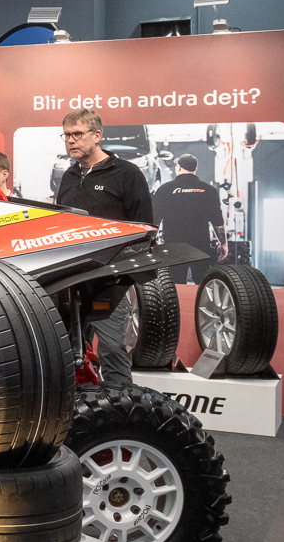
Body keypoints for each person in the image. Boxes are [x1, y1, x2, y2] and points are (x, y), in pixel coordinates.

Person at [54, 109, 153, 385]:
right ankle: (80, 409)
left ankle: (122, 412)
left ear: (97, 136)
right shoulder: (69, 176)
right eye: (66, 135)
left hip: (109, 279)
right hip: (70, 277)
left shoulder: (127, 174)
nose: (71, 141)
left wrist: (126, 273)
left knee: (110, 348)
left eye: (77, 134)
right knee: (71, 348)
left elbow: (143, 228)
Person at [153, 153, 227, 283]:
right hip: (200, 246)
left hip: (174, 247)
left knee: (175, 283)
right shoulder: (209, 190)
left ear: (179, 168)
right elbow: (217, 221)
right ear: (195, 169)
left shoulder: (164, 189)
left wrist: (151, 242)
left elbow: (155, 220)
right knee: (203, 282)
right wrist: (223, 243)